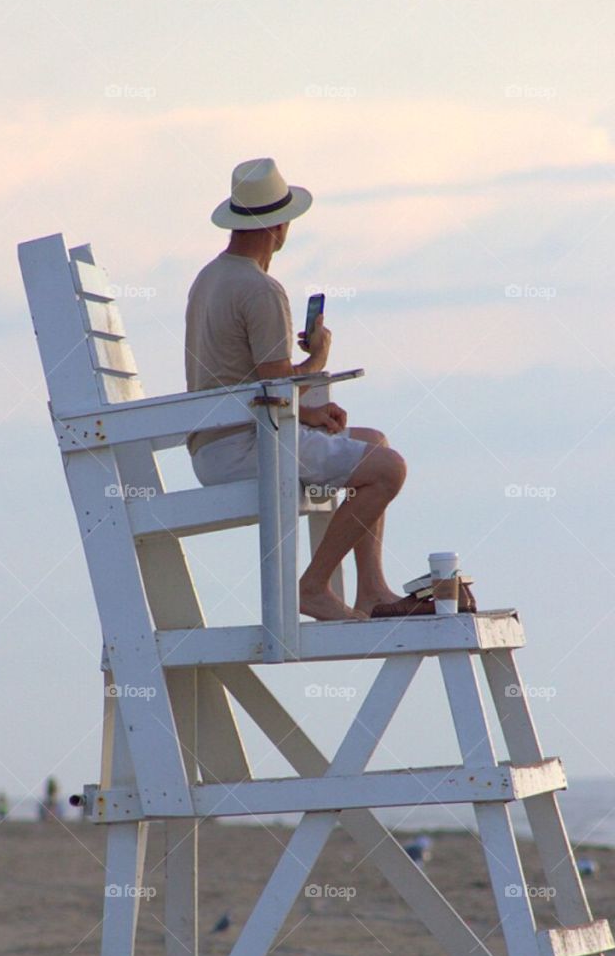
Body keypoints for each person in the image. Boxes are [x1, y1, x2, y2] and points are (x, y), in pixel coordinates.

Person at [185, 157, 474, 623]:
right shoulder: (261, 289)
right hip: (245, 447)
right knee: (388, 469)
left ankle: (371, 590)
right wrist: (319, 357)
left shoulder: (210, 277)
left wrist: (310, 411)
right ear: (279, 226)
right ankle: (313, 586)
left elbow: (258, 382)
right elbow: (277, 386)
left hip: (218, 443)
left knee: (372, 443)